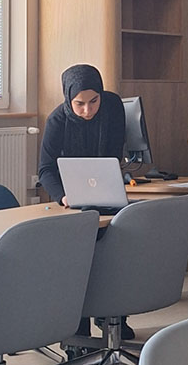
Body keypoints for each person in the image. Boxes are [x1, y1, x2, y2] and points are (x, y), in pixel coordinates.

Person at [38, 63, 129, 337]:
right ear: (68, 98)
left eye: (93, 101)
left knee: (115, 254)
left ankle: (112, 318)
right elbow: (45, 170)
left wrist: (106, 184)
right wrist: (63, 196)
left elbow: (113, 155)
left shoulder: (113, 107)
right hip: (71, 199)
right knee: (77, 261)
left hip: (105, 194)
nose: (88, 110)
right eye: (79, 104)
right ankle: (77, 334)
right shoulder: (57, 120)